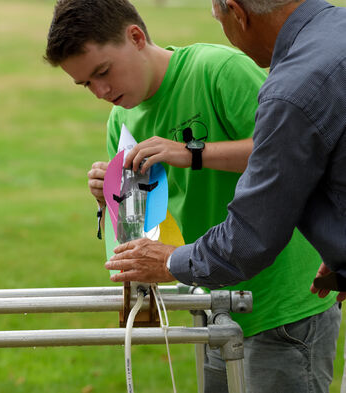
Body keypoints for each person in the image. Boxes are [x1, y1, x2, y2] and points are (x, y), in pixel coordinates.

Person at [45, 0, 340, 392]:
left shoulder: (217, 71)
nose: (100, 91)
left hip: (282, 306)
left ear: (136, 37)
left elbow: (291, 151)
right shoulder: (121, 120)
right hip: (210, 300)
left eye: (103, 72)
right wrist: (113, 198)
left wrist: (191, 154)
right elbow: (151, 226)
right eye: (86, 84)